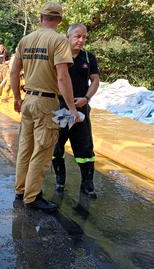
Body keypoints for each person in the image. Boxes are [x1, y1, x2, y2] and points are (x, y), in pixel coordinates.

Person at [10, 2, 81, 212]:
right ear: (59, 20)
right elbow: (62, 76)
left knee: (25, 149)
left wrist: (16, 98)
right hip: (47, 102)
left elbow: (14, 73)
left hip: (28, 100)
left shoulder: (26, 40)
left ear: (41, 18)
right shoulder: (59, 41)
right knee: (42, 151)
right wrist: (72, 109)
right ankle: (32, 197)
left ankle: (21, 189)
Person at [52, 23, 100, 199]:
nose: (81, 40)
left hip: (80, 111)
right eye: (77, 36)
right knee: (57, 146)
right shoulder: (58, 55)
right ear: (68, 37)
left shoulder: (88, 58)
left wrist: (86, 98)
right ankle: (60, 179)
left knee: (85, 148)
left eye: (84, 37)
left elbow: (95, 80)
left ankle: (87, 184)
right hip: (60, 109)